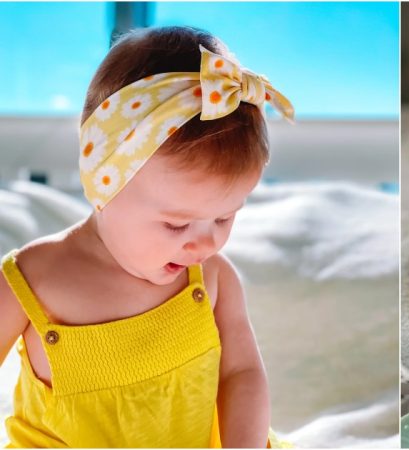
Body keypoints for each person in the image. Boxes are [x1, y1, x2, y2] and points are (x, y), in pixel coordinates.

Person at [0, 26, 294, 447]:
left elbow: (241, 374)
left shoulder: (212, 279)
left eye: (225, 218)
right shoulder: (34, 279)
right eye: (177, 224)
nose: (205, 244)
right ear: (105, 184)